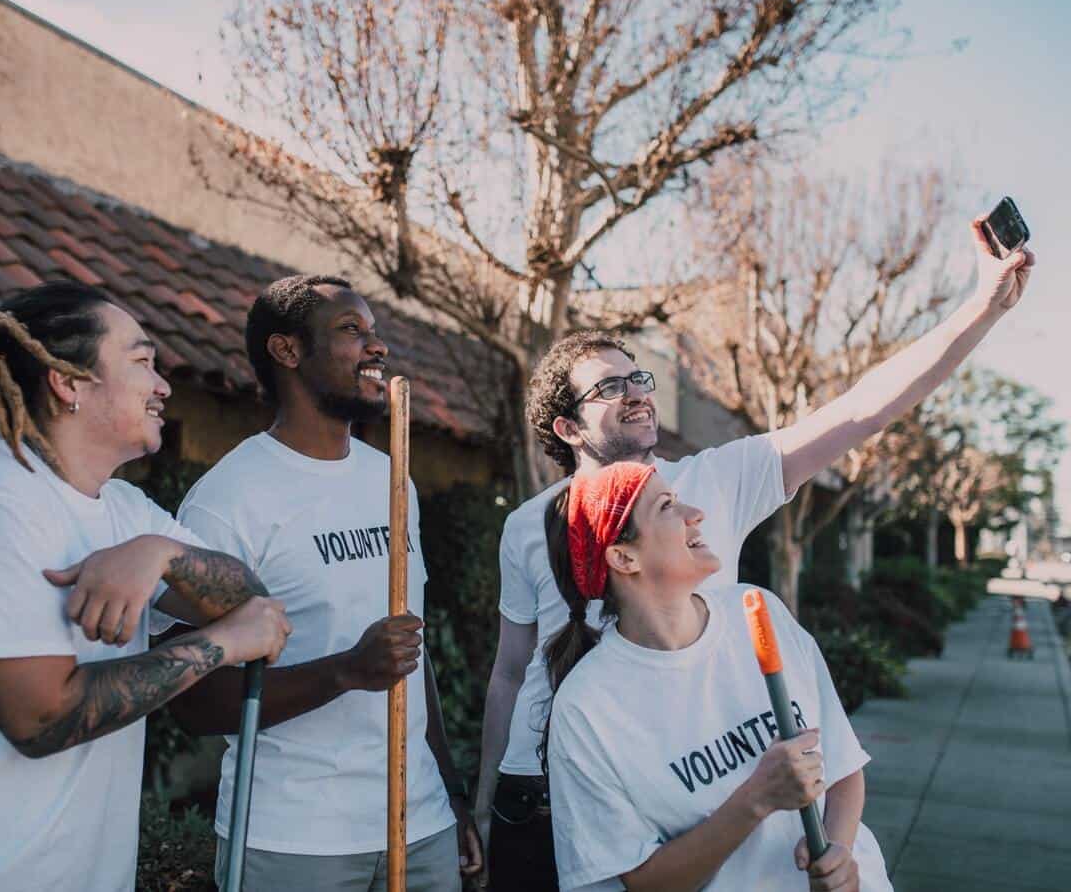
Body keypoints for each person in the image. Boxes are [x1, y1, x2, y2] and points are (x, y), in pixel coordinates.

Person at [475, 216, 1034, 889]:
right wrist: (482, 806)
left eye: (639, 377)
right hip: (544, 794)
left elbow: (863, 410)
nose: (639, 393)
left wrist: (982, 308)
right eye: (611, 387)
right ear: (567, 427)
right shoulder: (528, 527)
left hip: (706, 792)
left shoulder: (710, 484)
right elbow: (511, 672)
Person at [0, 282, 292, 892]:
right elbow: (42, 718)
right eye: (142, 362)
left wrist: (164, 553)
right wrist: (220, 645)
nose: (163, 387)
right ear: (68, 383)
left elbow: (250, 600)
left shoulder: (124, 510)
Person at [166, 274, 483, 891]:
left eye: (375, 332)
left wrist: (450, 794)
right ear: (287, 351)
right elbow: (189, 698)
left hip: (417, 826)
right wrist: (344, 671)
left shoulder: (392, 479)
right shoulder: (229, 500)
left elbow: (410, 656)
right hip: (293, 837)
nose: (377, 347)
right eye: (351, 330)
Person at [543, 462, 891, 891]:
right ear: (623, 556)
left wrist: (838, 853)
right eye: (668, 505)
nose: (696, 513)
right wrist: (756, 798)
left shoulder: (758, 611)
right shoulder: (587, 707)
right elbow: (643, 881)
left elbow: (842, 767)